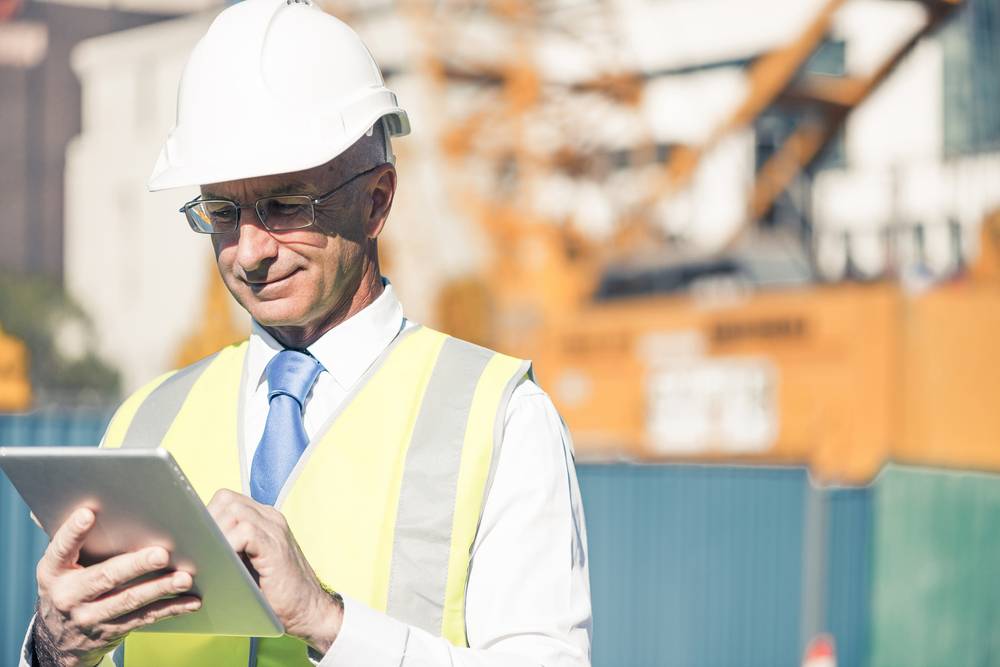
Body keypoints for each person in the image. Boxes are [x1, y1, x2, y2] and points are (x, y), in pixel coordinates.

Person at [20, 0, 592, 665]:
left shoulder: (499, 418)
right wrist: (53, 649)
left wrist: (329, 622)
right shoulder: (145, 423)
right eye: (222, 211)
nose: (250, 250)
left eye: (287, 204)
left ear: (376, 200)